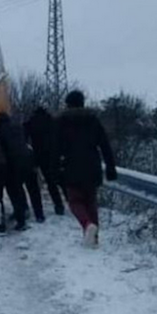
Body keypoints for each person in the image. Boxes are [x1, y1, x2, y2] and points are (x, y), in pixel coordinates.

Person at [53, 90, 117, 247]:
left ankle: (87, 225)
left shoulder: (62, 122)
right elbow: (105, 145)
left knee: (75, 201)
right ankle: (94, 239)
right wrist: (110, 167)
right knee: (91, 201)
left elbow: (55, 148)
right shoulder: (93, 120)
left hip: (71, 166)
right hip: (92, 165)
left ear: (68, 104)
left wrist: (55, 168)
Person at [24, 106, 66, 215]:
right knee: (59, 180)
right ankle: (65, 202)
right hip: (54, 155)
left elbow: (24, 136)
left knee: (48, 182)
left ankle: (58, 206)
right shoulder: (52, 121)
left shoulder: (31, 122)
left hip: (39, 155)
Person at [0, 112, 32, 231]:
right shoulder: (18, 128)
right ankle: (23, 210)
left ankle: (20, 220)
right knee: (19, 188)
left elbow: (1, 148)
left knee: (13, 191)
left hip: (12, 163)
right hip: (26, 161)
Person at [24, 145, 46, 223]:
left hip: (21, 158)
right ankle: (39, 213)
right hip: (28, 157)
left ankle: (24, 210)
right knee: (33, 189)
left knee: (20, 189)